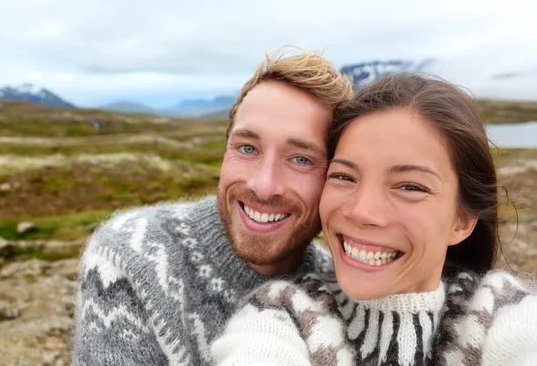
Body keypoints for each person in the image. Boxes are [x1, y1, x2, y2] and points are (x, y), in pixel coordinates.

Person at [211, 74, 537, 365]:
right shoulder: (281, 316)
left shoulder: (507, 315)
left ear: (462, 221)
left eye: (410, 186)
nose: (362, 212)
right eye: (345, 176)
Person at [72, 48, 353, 365]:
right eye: (247, 148)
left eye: (301, 159)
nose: (262, 184)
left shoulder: (343, 285)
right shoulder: (130, 254)